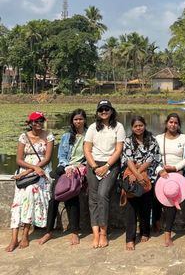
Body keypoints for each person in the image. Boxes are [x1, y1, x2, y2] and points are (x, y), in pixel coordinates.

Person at [6, 111, 54, 252]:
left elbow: (47, 158)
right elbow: (19, 159)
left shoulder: (49, 136)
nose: (38, 124)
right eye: (35, 121)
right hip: (26, 169)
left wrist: (33, 170)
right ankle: (14, 237)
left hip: (42, 171)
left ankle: (25, 234)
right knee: (17, 201)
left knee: (29, 194)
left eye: (40, 121)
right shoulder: (24, 137)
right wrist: (30, 169)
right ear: (30, 123)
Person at [39, 109, 87, 246]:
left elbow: (91, 155)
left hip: (81, 169)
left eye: (80, 119)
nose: (78, 121)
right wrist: (67, 167)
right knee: (54, 197)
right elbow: (62, 156)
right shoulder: (67, 136)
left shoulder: (90, 134)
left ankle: (74, 232)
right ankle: (48, 231)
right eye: (75, 119)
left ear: (84, 120)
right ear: (72, 121)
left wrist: (77, 167)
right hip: (65, 167)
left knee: (73, 196)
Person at [84, 99, 125, 248]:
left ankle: (103, 232)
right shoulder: (93, 128)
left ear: (112, 111)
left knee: (102, 195)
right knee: (93, 199)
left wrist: (107, 166)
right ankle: (95, 233)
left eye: (107, 109)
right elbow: (87, 149)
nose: (104, 112)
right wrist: (95, 167)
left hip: (111, 165)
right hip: (94, 165)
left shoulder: (118, 127)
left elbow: (118, 149)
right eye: (101, 110)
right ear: (97, 112)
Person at [121, 115, 161, 250]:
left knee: (145, 206)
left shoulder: (152, 140)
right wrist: (135, 174)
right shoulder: (128, 141)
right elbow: (128, 159)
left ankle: (145, 231)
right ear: (132, 128)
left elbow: (151, 159)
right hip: (132, 175)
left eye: (141, 125)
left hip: (147, 176)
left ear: (145, 125)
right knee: (131, 207)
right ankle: (130, 238)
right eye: (135, 126)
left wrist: (138, 174)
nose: (138, 128)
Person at [155, 113, 185, 247]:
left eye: (175, 123)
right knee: (154, 195)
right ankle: (156, 221)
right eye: (170, 122)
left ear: (178, 125)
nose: (173, 125)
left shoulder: (184, 138)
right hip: (161, 171)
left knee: (172, 199)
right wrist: (160, 170)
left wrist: (175, 168)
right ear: (166, 123)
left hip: (177, 172)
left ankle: (167, 232)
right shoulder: (158, 138)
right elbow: (154, 157)